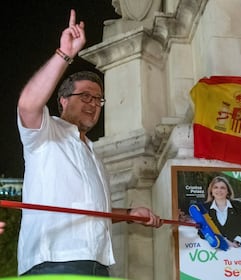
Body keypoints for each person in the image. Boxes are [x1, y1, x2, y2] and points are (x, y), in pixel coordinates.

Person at [16, 9, 162, 276]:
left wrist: (131, 213)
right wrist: (64, 54)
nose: (93, 105)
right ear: (63, 100)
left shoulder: (93, 154)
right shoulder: (46, 133)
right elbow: (27, 105)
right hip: (54, 262)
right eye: (85, 96)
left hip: (98, 263)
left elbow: (91, 211)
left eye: (98, 100)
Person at [203, 176, 241, 247]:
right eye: (216, 187)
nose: (219, 190)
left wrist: (237, 242)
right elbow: (201, 231)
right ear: (211, 191)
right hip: (217, 250)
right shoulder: (204, 208)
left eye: (222, 188)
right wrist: (222, 241)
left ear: (228, 191)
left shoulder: (239, 206)